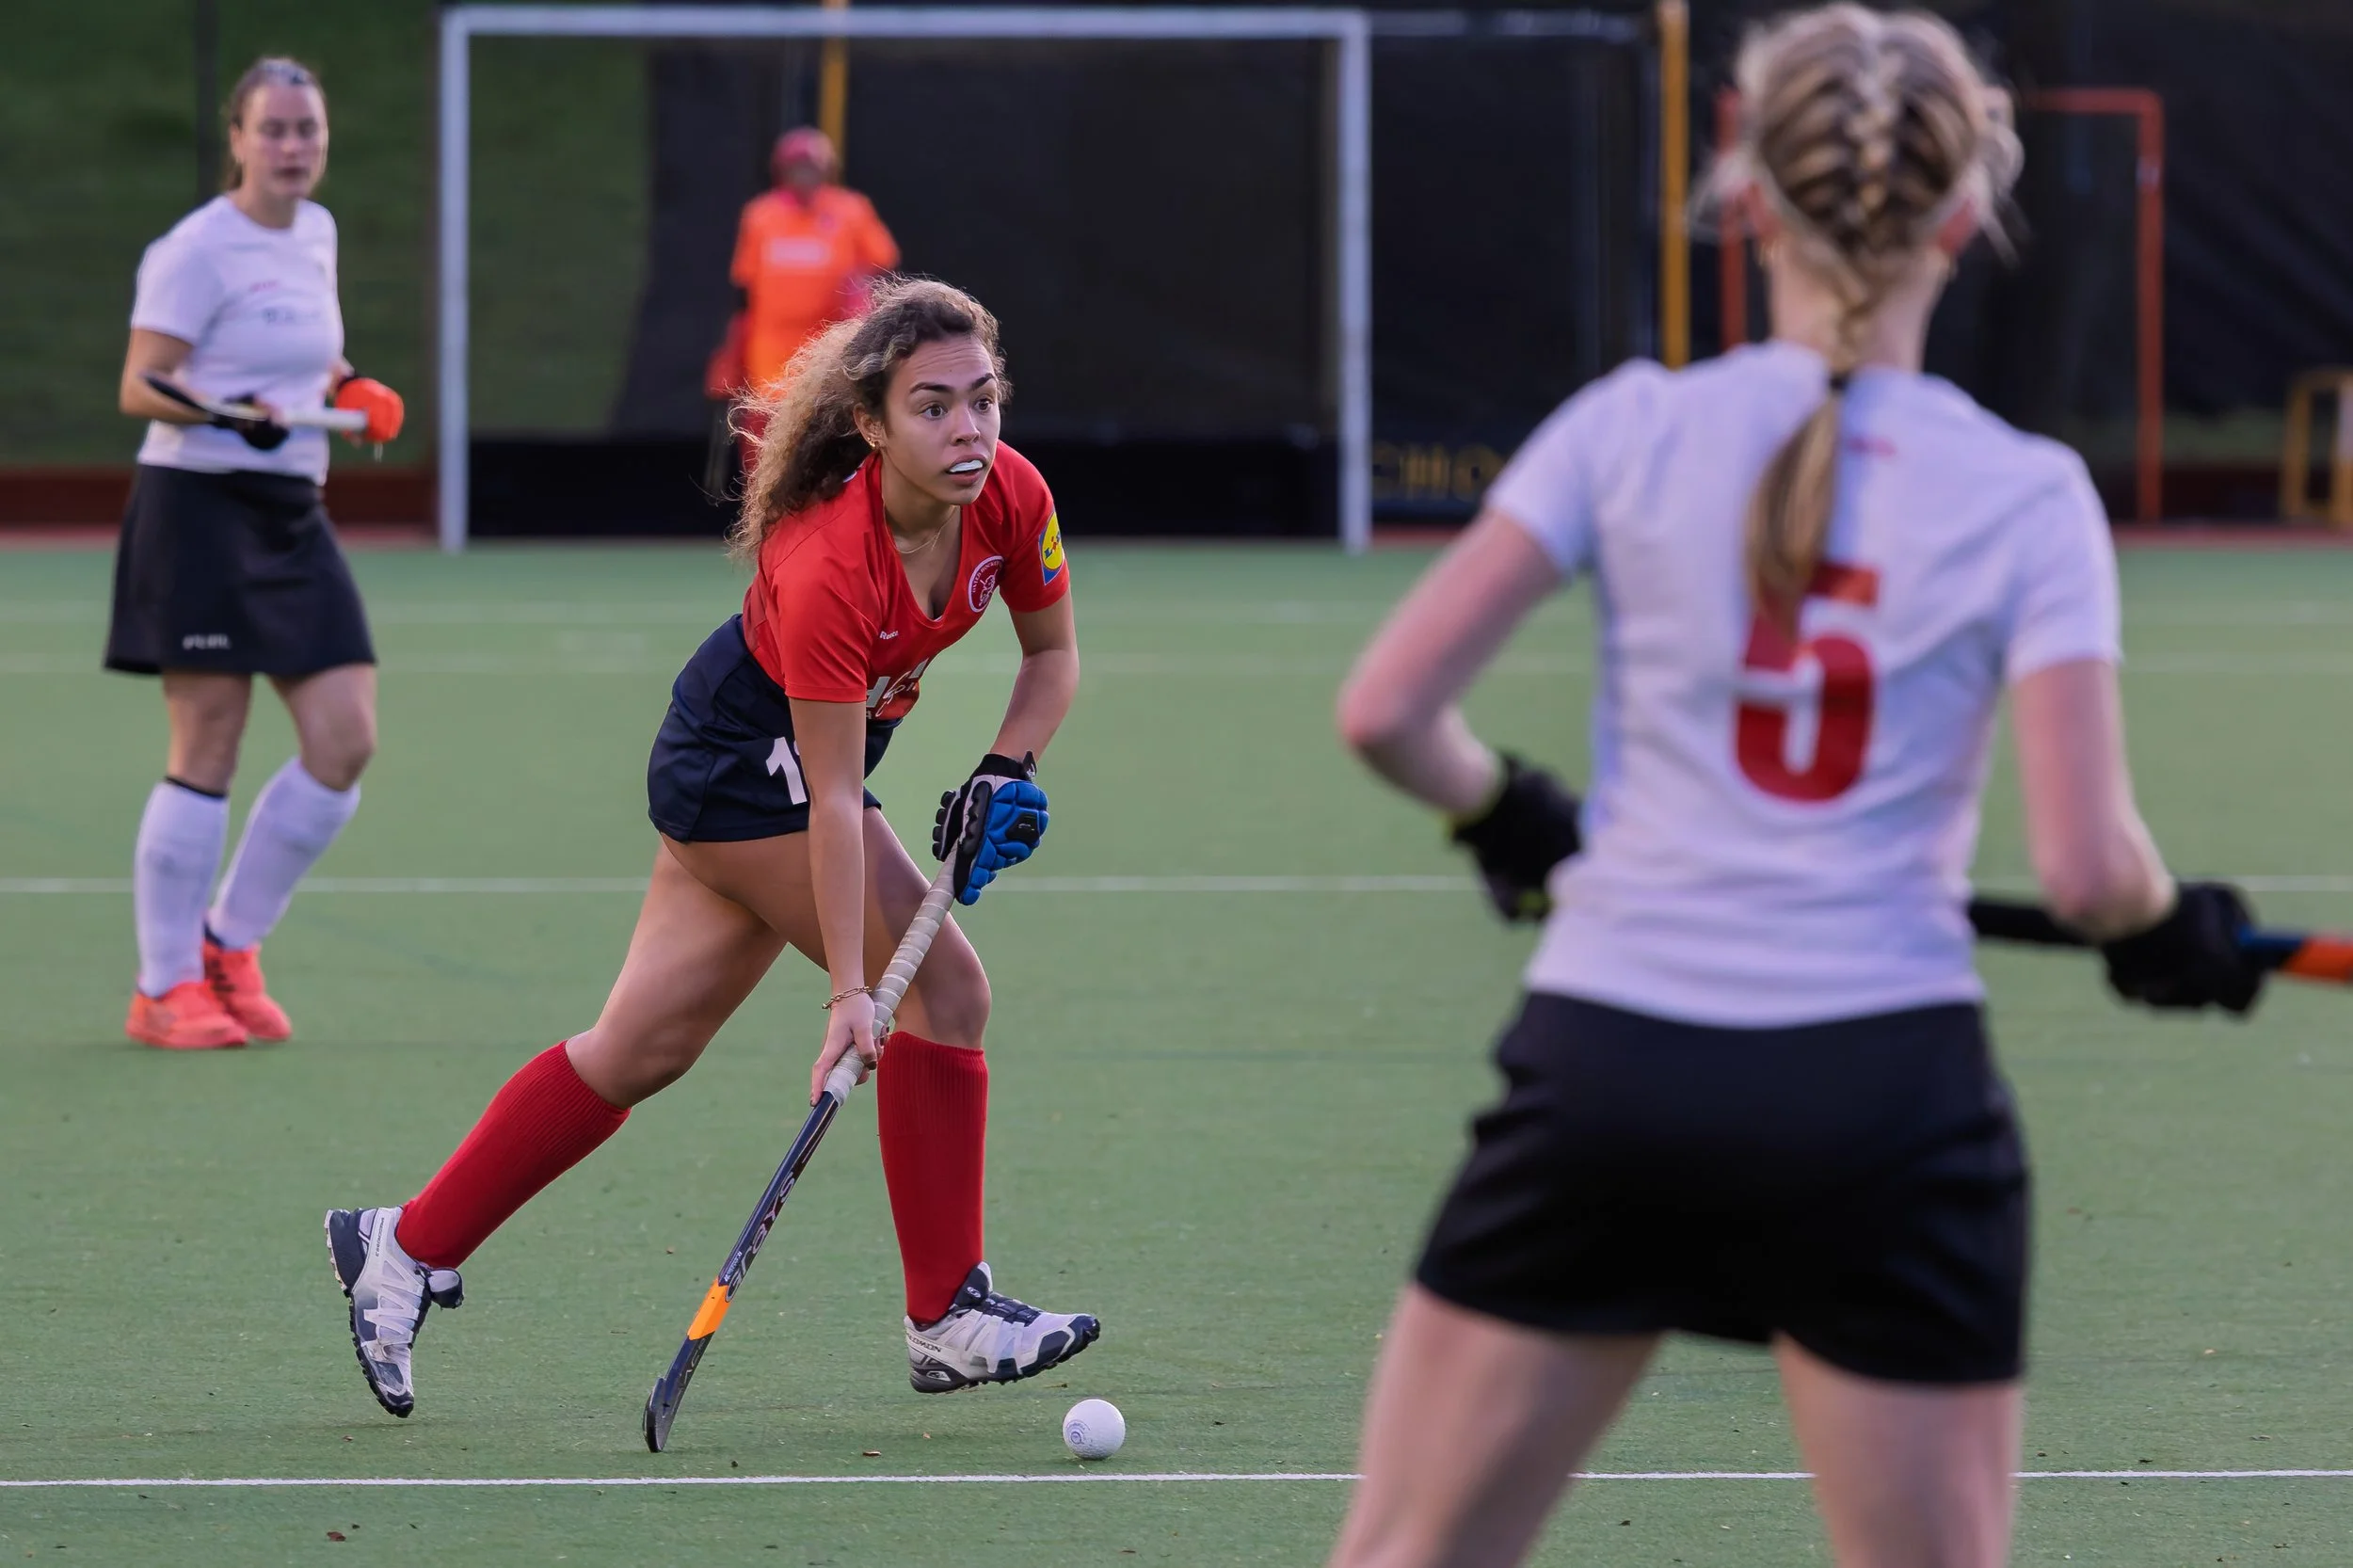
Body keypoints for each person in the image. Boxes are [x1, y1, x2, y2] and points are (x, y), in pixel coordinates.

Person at [1325, 8, 2265, 1565]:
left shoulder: (1628, 428)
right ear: (1964, 218)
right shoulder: (2029, 495)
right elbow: (2095, 873)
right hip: (1882, 1099)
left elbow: (1387, 710)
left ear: (1745, 194)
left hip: (1610, 1069)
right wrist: (2170, 930)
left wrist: (1505, 809)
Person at [325, 278, 1095, 1421]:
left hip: (788, 760)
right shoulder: (829, 560)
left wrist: (1004, 766)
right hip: (746, 761)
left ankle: (403, 1244)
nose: (967, 429)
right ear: (873, 425)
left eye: (982, 399)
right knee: (946, 989)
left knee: (641, 1046)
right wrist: (849, 993)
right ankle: (948, 1318)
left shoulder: (1012, 494)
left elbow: (1051, 658)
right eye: (932, 407)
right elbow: (832, 800)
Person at [109, 56, 406, 1052]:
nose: (291, 146)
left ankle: (228, 945)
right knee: (210, 742)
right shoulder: (195, 249)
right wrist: (232, 414)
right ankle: (163, 987)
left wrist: (350, 388)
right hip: (196, 505)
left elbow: (307, 356)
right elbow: (142, 384)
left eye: (306, 129)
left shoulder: (315, 233)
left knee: (344, 738)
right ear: (236, 139)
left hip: (290, 509)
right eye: (272, 129)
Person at [707, 126, 901, 468]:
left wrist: (857, 298)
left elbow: (881, 266)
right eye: (796, 167)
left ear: (827, 169)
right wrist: (734, 346)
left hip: (829, 343)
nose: (804, 175)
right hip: (771, 347)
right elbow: (744, 286)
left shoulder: (851, 211)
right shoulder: (761, 215)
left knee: (828, 424)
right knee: (766, 428)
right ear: (781, 171)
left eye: (811, 166)